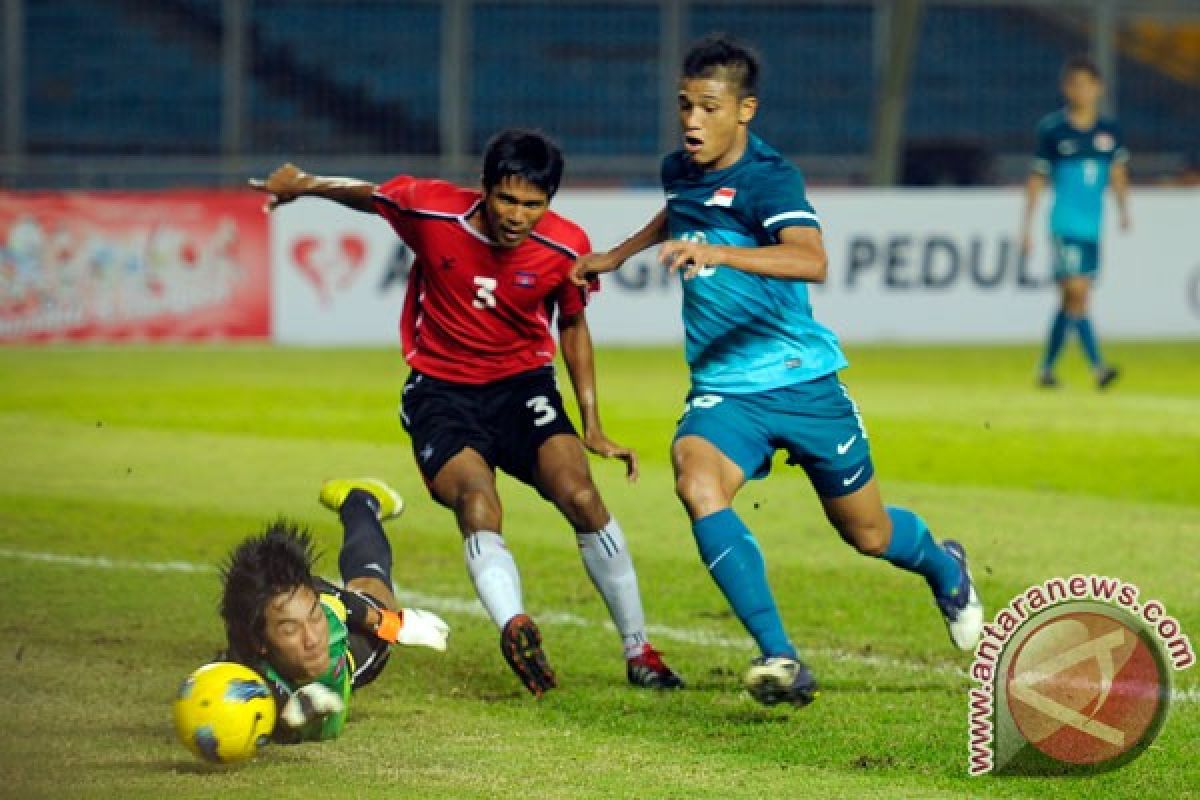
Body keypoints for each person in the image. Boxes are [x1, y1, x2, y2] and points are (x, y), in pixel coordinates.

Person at [572, 35, 983, 708]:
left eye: (708, 107)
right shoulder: (679, 167)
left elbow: (811, 259)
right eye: (684, 105)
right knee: (696, 481)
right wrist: (616, 256)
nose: (691, 121)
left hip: (802, 380)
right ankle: (781, 657)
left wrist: (721, 255)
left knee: (868, 533)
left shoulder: (771, 178)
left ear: (745, 110)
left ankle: (946, 567)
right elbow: (677, 208)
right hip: (726, 388)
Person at [250, 131, 682, 697]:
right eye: (508, 199)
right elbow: (369, 194)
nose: (518, 216)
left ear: (550, 201)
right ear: (485, 189)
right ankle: (514, 626)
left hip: (522, 385)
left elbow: (572, 324)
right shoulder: (432, 209)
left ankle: (639, 650)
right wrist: (302, 185)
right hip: (441, 392)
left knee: (581, 496)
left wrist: (592, 422)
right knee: (479, 501)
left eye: (534, 204)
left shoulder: (565, 245)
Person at [220, 478, 450, 741]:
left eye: (313, 619)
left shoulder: (333, 636)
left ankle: (360, 500)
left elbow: (345, 603)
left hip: (347, 627)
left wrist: (392, 624)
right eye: (290, 629)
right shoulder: (245, 666)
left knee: (371, 587)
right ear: (260, 641)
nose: (313, 639)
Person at [1020, 55, 1130, 389]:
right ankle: (1099, 368)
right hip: (1064, 224)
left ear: (1099, 88)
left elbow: (1118, 172)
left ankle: (1046, 370)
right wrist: (1026, 226)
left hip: (1091, 227)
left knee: (1072, 301)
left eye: (1087, 84)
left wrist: (1125, 209)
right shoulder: (1053, 130)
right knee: (1077, 291)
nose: (1081, 91)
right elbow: (1037, 179)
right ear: (1066, 88)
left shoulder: (1109, 131)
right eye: (1075, 84)